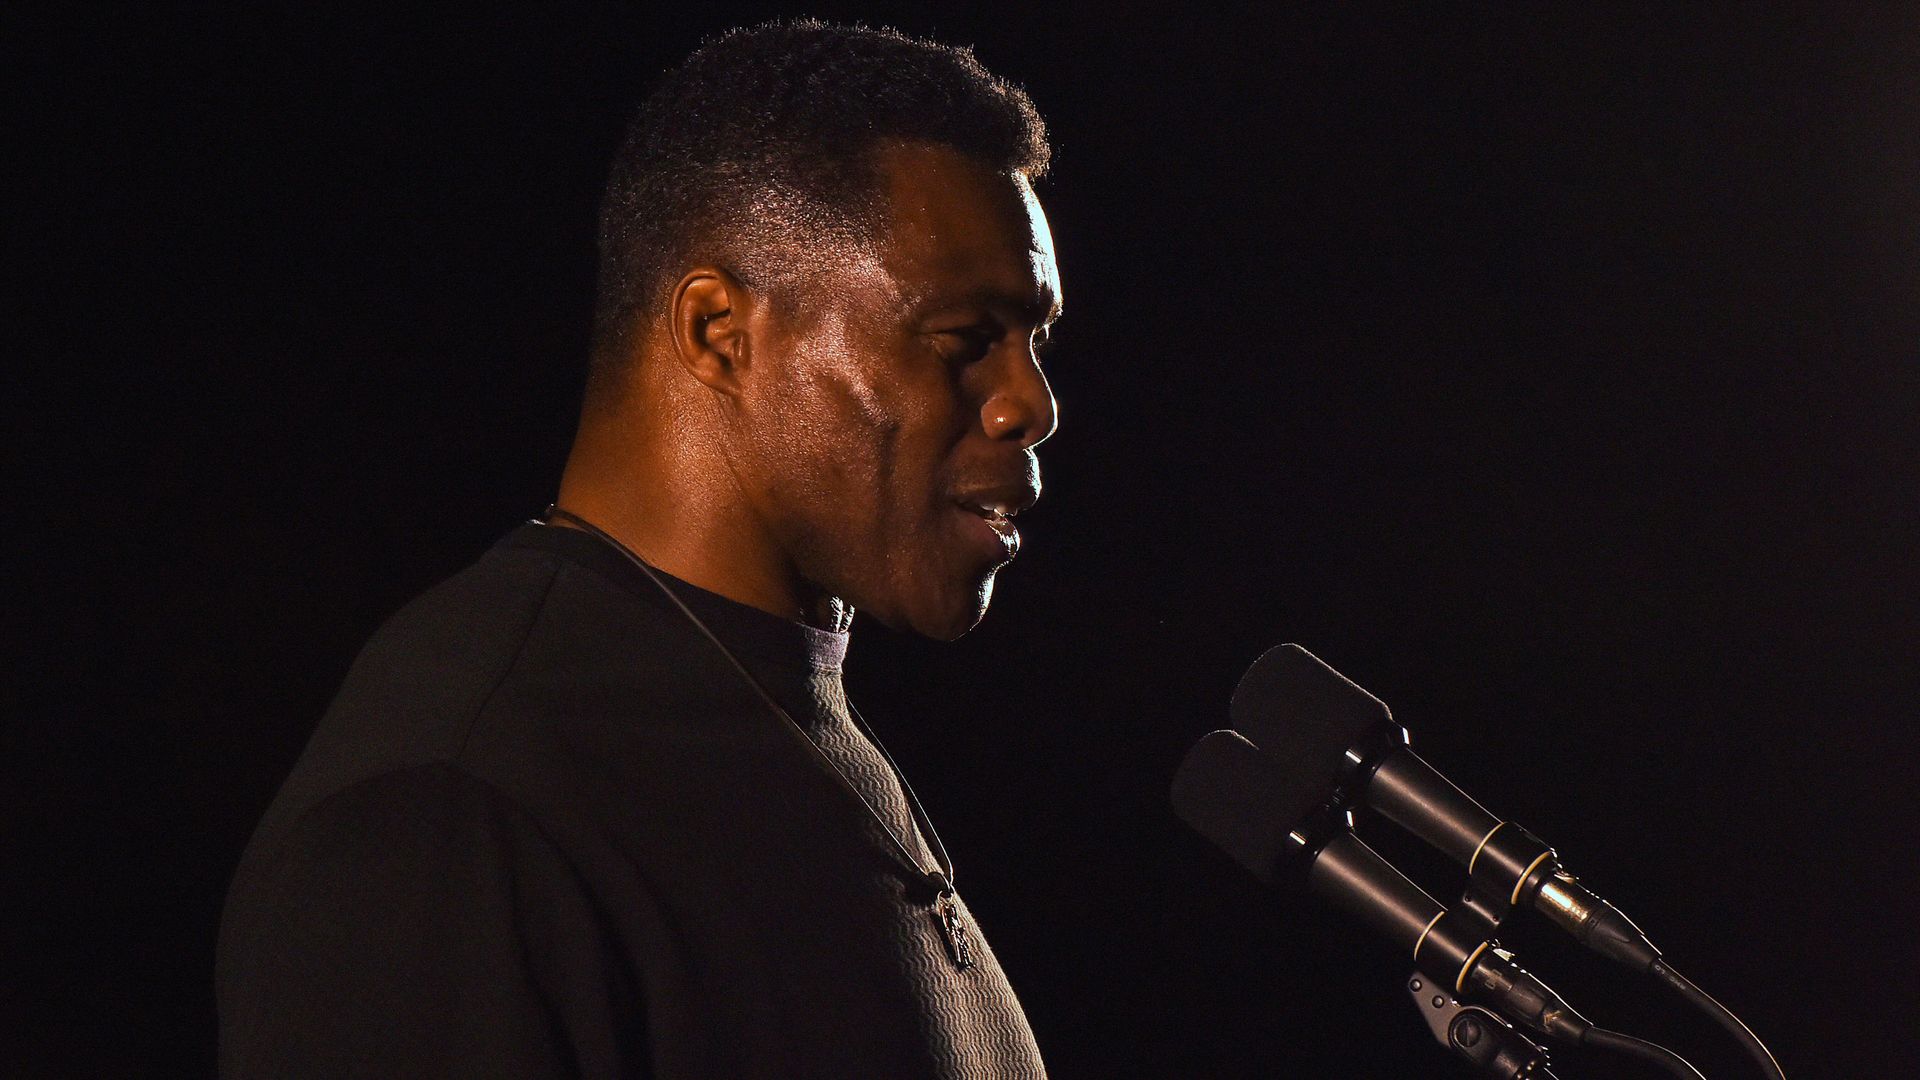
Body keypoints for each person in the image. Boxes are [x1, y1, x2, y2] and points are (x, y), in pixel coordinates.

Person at [216, 19, 1061, 1079]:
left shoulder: (781, 703)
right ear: (718, 331)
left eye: (1039, 338)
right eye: (964, 338)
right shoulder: (453, 806)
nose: (1031, 403)